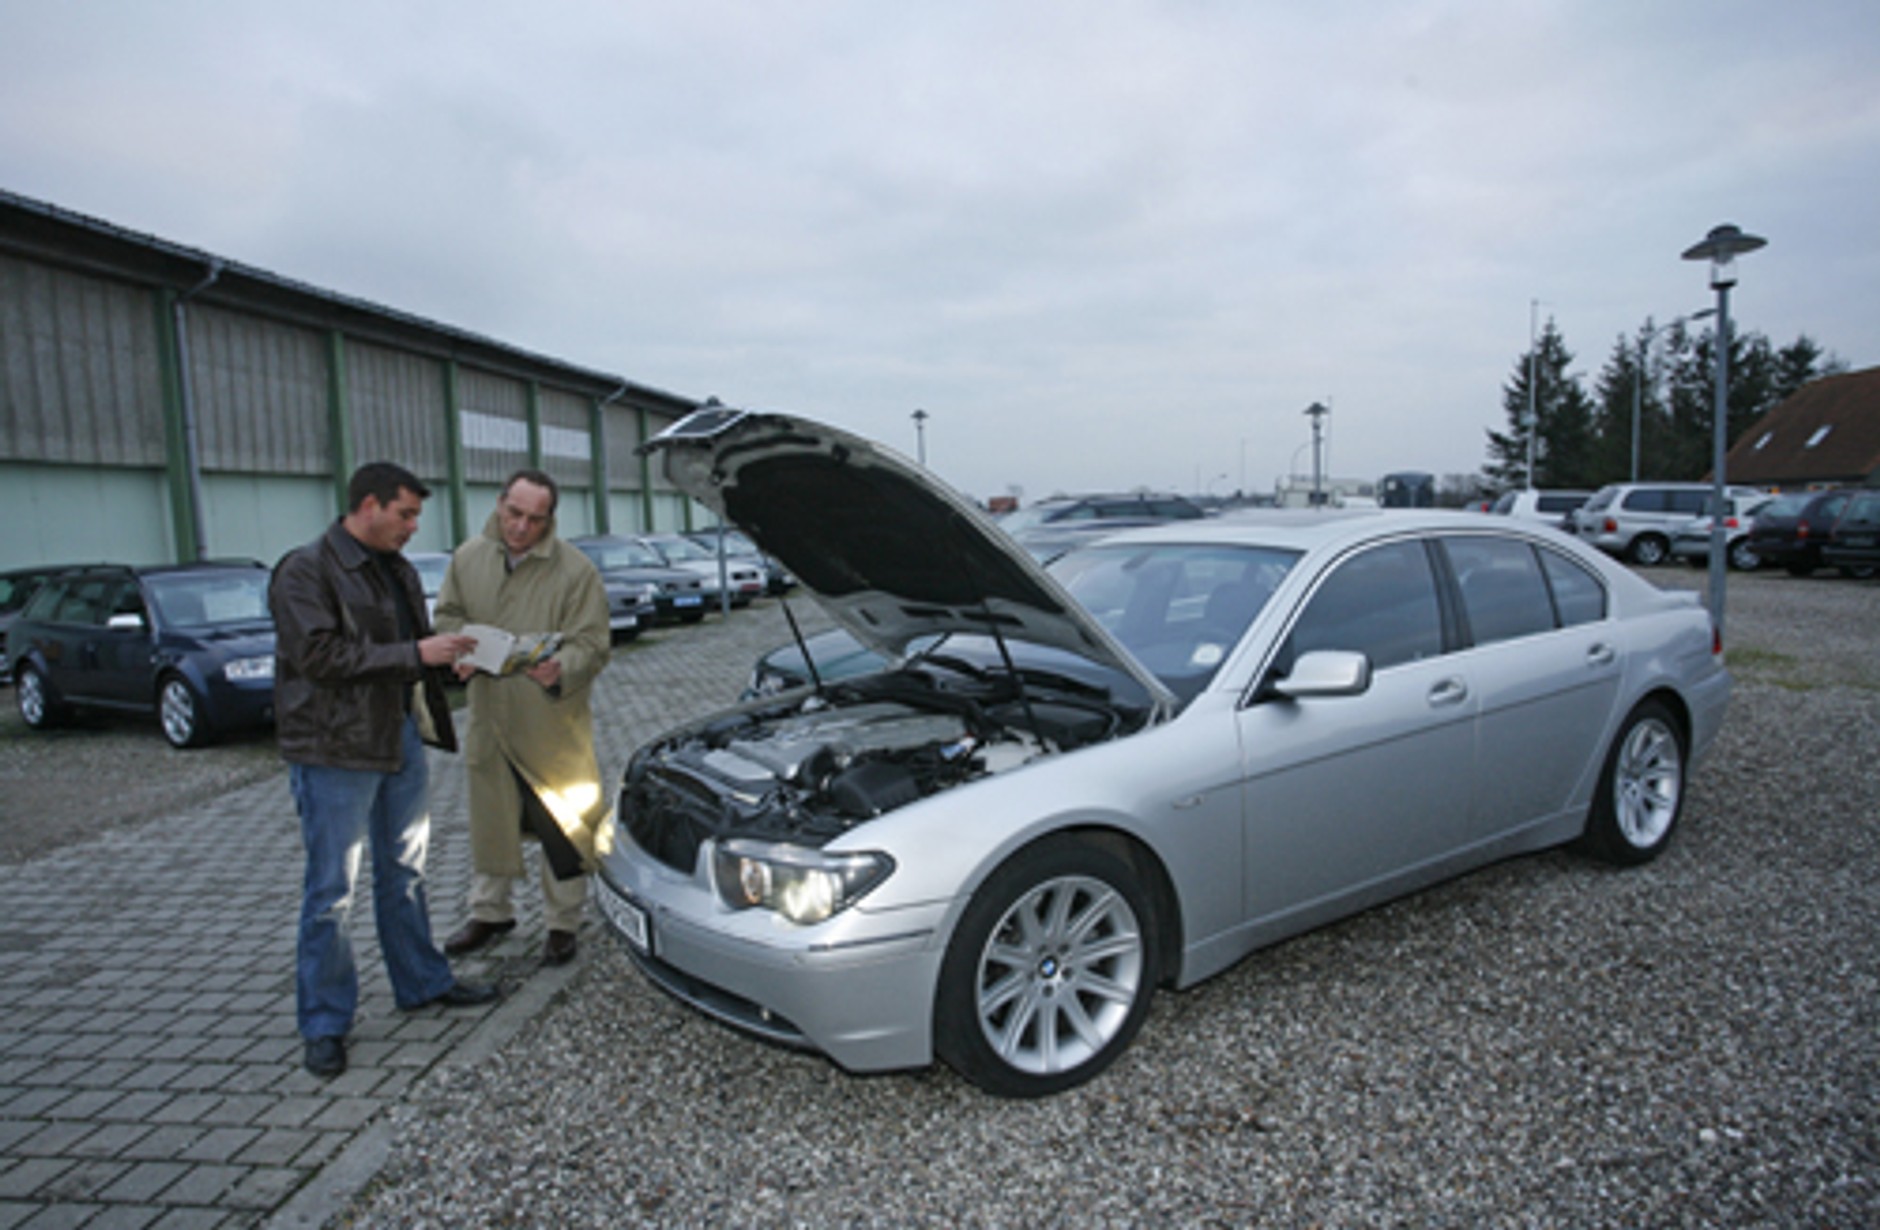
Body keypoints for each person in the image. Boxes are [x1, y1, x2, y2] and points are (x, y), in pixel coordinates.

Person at [271, 462, 499, 1080]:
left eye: (416, 516)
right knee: (331, 891)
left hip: (396, 736)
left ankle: (422, 984)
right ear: (367, 505)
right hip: (333, 750)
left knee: (405, 871)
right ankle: (324, 1023)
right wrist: (414, 654)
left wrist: (443, 664)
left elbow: (404, 648)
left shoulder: (395, 568)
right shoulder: (305, 570)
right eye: (405, 514)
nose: (412, 526)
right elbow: (316, 656)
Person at [434, 469, 612, 968]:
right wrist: (458, 648)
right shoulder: (468, 559)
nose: (520, 528)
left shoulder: (576, 573)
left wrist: (564, 667)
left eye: (535, 519)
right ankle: (490, 911)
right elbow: (446, 615)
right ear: (499, 504)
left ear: (550, 519)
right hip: (490, 719)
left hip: (550, 724)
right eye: (514, 514)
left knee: (563, 823)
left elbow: (594, 644)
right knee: (492, 820)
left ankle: (563, 923)